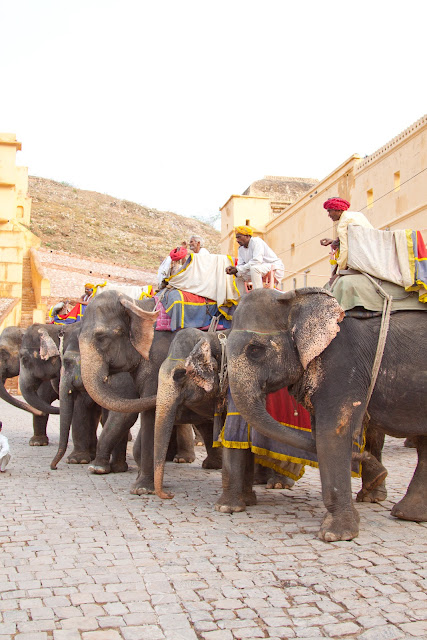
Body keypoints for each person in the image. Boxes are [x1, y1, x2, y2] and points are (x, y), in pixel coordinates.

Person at [225, 225, 284, 294]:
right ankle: (245, 298)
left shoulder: (256, 242)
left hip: (274, 267)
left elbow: (257, 261)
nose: (237, 240)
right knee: (238, 277)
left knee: (254, 268)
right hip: (258, 270)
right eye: (236, 238)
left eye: (239, 237)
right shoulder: (240, 249)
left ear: (247, 236)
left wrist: (238, 269)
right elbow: (240, 265)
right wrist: (235, 270)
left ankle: (258, 295)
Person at [320, 197, 373, 272]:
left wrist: (340, 269)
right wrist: (334, 241)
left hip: (360, 260)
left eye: (329, 211)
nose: (329, 215)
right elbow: (357, 239)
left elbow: (345, 249)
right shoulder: (358, 215)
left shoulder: (343, 223)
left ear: (338, 210)